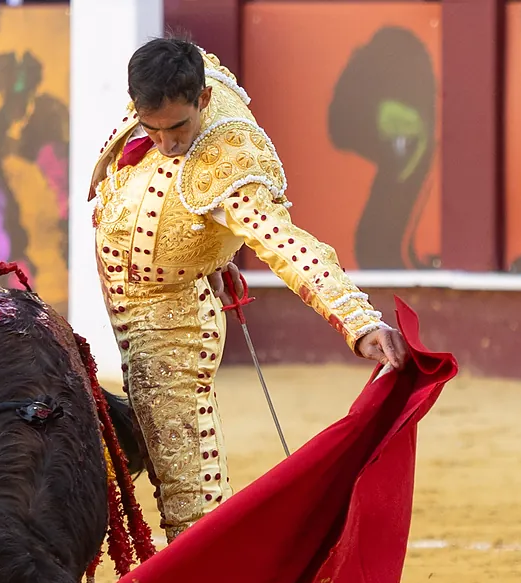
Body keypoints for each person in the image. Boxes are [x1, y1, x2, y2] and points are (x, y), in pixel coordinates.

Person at [87, 37, 408, 542]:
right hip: (134, 301)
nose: (167, 143)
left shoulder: (227, 159)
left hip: (170, 326)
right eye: (152, 128)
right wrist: (210, 251)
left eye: (178, 128)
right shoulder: (173, 85)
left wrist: (359, 320)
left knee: (187, 492)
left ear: (203, 102)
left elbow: (286, 244)